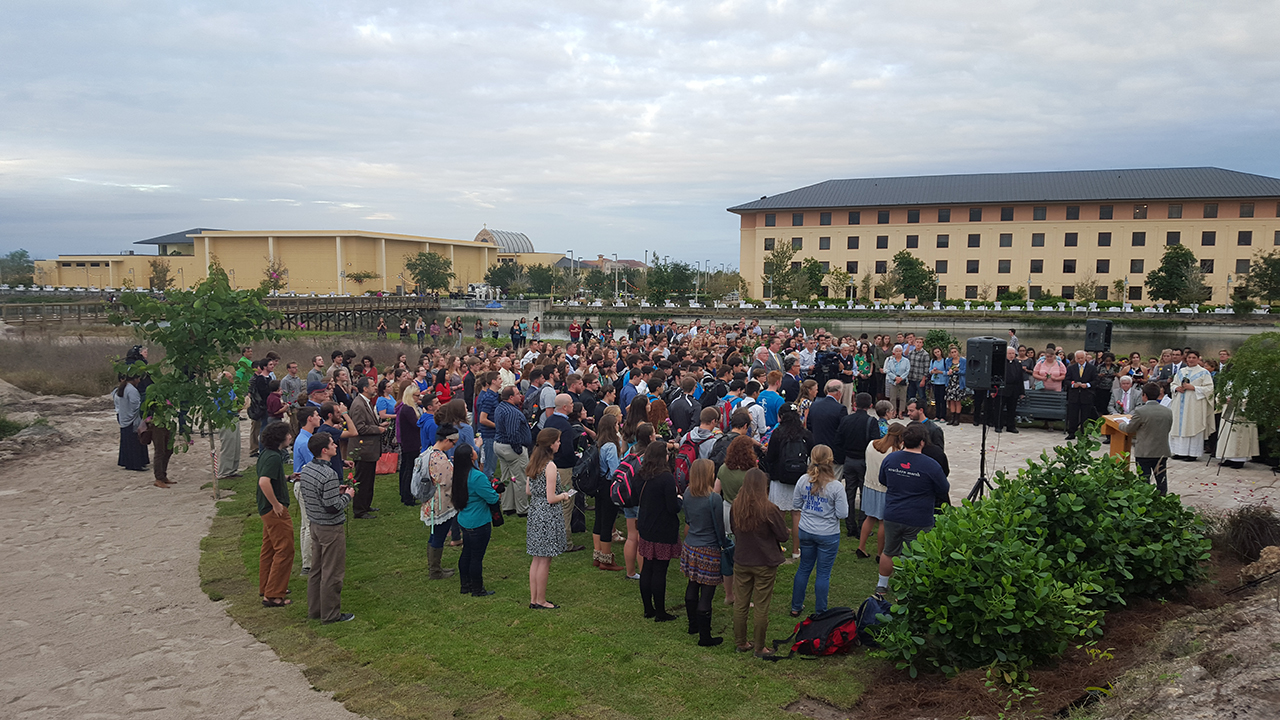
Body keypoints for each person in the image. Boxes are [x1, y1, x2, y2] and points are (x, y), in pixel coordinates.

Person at [876, 424, 950, 598]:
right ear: (923, 442)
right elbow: (943, 488)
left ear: (903, 440)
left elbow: (883, 479)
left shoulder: (891, 459)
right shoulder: (931, 465)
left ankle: (881, 585)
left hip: (893, 513)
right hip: (919, 516)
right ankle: (910, 587)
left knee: (889, 550)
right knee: (915, 554)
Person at [730, 467, 789, 658]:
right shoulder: (769, 509)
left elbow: (733, 529)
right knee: (761, 605)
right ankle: (759, 647)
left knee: (741, 603)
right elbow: (782, 536)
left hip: (742, 559)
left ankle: (741, 642)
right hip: (764, 562)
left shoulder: (736, 506)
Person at [300, 432, 356, 623]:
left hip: (315, 524)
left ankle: (315, 609)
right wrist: (348, 495)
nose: (335, 446)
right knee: (332, 572)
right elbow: (332, 507)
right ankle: (331, 614)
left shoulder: (307, 469)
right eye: (332, 443)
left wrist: (336, 491)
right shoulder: (329, 473)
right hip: (330, 528)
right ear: (324, 450)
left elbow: (320, 495)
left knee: (316, 570)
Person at [788, 445, 847, 618]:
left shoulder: (803, 480)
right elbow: (843, 514)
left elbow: (796, 504)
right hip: (828, 533)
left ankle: (795, 606)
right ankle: (821, 611)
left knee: (804, 567)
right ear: (831, 460)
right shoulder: (835, 486)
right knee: (823, 573)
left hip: (805, 530)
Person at [680, 458, 728, 646]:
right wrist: (724, 544)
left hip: (690, 545)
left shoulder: (687, 493)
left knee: (692, 585)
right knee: (706, 594)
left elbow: (689, 520)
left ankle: (693, 625)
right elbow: (719, 526)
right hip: (709, 548)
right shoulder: (714, 498)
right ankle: (705, 637)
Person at [637, 439, 683, 621]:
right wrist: (679, 499)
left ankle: (649, 608)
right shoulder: (665, 477)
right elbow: (673, 507)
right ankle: (661, 612)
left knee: (648, 567)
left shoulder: (642, 474)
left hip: (647, 525)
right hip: (662, 528)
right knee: (659, 570)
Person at [526, 428, 570, 609]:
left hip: (535, 512)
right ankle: (541, 600)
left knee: (537, 558)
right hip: (547, 515)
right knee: (544, 559)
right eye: (558, 441)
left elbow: (528, 490)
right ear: (551, 444)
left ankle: (534, 598)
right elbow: (551, 497)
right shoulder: (550, 466)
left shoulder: (533, 462)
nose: (559, 443)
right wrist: (565, 495)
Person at [451, 444, 500, 596]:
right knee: (476, 557)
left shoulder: (458, 474)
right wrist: (496, 491)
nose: (475, 450)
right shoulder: (477, 477)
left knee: (466, 553)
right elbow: (492, 498)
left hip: (465, 519)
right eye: (473, 450)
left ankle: (465, 585)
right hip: (479, 522)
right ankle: (477, 589)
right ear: (470, 457)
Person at [764, 405, 813, 560]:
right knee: (797, 515)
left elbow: (770, 457)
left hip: (780, 478)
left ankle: (778, 547)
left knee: (778, 515)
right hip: (800, 479)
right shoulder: (806, 434)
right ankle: (796, 550)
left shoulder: (778, 433)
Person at [256, 422, 295, 607]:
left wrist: (286, 478)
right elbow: (264, 482)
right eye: (288, 435)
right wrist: (276, 504)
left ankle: (267, 586)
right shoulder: (273, 457)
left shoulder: (267, 454)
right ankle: (273, 595)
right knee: (285, 549)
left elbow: (269, 476)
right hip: (273, 510)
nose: (290, 437)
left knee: (269, 549)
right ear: (281, 438)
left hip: (265, 509)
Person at [834, 392, 881, 537]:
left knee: (849, 492)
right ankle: (862, 526)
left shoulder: (846, 420)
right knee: (864, 494)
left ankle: (850, 526)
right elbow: (875, 443)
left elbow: (838, 440)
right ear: (870, 406)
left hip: (849, 459)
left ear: (855, 404)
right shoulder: (871, 422)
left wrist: (843, 456)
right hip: (863, 461)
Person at [860, 422, 904, 561]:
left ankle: (861, 547)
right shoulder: (895, 452)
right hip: (884, 489)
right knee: (883, 522)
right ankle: (880, 554)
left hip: (869, 485)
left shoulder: (871, 444)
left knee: (869, 517)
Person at [1120, 383, 1174, 494]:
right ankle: (1162, 500)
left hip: (1144, 451)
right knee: (1161, 480)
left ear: (1144, 395)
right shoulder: (1167, 411)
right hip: (1161, 450)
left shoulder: (1140, 411)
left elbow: (1130, 428)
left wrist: (1120, 424)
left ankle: (1145, 501)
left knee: (1144, 480)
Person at [348, 377, 387, 519]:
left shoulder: (366, 403)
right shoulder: (358, 405)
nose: (375, 387)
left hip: (369, 449)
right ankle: (359, 510)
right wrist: (378, 429)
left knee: (369, 480)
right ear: (365, 388)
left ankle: (365, 505)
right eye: (373, 385)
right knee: (363, 480)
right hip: (363, 449)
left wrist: (379, 426)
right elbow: (359, 428)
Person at [592, 414, 625, 572]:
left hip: (599, 484)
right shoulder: (611, 446)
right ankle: (606, 558)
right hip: (609, 485)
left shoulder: (599, 442)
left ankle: (597, 556)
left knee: (598, 520)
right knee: (607, 522)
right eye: (617, 424)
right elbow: (615, 471)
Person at [292, 406, 323, 575]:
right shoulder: (305, 442)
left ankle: (308, 560)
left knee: (306, 524)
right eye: (317, 415)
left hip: (303, 483)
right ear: (310, 419)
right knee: (309, 524)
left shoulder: (305, 437)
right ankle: (308, 563)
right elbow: (315, 464)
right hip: (306, 485)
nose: (319, 418)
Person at [1168, 351, 1215, 461]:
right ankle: (1179, 451)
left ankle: (1192, 453)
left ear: (1198, 359)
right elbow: (1173, 384)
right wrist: (1176, 388)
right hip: (1180, 403)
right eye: (1189, 357)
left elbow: (1210, 389)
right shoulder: (1181, 371)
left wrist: (1194, 388)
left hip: (1194, 405)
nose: (1191, 359)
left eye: (1194, 357)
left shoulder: (1204, 373)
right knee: (1178, 426)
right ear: (1186, 358)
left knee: (1192, 425)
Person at [114, 374, 150, 474]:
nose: (139, 381)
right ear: (134, 379)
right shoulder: (131, 390)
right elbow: (136, 404)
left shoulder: (123, 388)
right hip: (132, 420)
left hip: (125, 419)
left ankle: (129, 463)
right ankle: (136, 464)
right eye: (138, 379)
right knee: (135, 443)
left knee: (127, 443)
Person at [396, 384, 423, 506]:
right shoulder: (408, 409)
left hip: (409, 441)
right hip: (410, 442)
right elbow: (416, 424)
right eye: (417, 396)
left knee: (407, 467)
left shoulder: (407, 408)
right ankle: (407, 495)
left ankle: (405, 494)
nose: (419, 397)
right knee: (409, 469)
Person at [1064, 350, 1098, 441]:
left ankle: (1084, 433)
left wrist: (1087, 385)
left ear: (1085, 358)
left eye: (1082, 358)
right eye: (1078, 358)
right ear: (1075, 359)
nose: (1080, 360)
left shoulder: (1092, 368)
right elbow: (1066, 380)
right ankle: (1072, 433)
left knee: (1085, 416)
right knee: (1073, 415)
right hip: (1074, 395)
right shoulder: (1071, 368)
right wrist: (1072, 384)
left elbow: (1096, 381)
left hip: (1086, 395)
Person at [994, 346, 1026, 433]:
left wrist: (1022, 392)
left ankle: (1011, 426)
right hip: (1003, 389)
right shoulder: (1000, 363)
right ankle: (998, 426)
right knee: (999, 409)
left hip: (1014, 390)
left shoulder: (1018, 363)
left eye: (1013, 353)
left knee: (1012, 409)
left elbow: (1020, 378)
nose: (1011, 355)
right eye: (1009, 353)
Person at [883, 345, 910, 416]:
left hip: (903, 381)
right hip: (893, 381)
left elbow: (907, 371)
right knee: (892, 397)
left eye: (899, 351)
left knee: (902, 397)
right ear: (894, 352)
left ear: (902, 352)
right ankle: (894, 412)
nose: (898, 352)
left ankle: (900, 412)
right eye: (896, 351)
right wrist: (895, 378)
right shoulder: (890, 361)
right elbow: (888, 371)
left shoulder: (906, 361)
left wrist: (901, 378)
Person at [943, 345, 967, 426]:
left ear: (958, 352)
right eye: (952, 352)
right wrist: (948, 372)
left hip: (959, 382)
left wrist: (958, 370)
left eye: (955, 352)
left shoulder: (963, 361)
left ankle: (957, 418)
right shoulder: (948, 361)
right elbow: (946, 370)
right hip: (950, 382)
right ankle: (952, 418)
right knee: (951, 400)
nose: (954, 354)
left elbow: (964, 372)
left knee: (957, 401)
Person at [928, 347, 948, 422]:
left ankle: (943, 416)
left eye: (938, 352)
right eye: (935, 352)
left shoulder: (945, 361)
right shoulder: (933, 361)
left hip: (943, 382)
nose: (937, 353)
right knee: (937, 400)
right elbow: (930, 370)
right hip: (935, 382)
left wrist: (940, 372)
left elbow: (947, 372)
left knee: (943, 400)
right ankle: (937, 415)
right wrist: (932, 371)